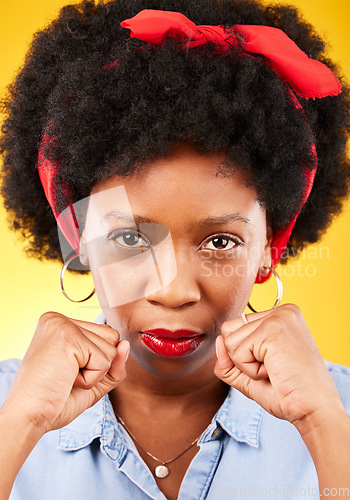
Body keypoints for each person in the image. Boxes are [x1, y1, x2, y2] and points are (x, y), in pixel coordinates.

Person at [0, 0, 350, 499]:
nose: (174, 291)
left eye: (221, 241)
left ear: (270, 247)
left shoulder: (340, 410)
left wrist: (325, 427)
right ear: (79, 240)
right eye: (128, 238)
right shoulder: (6, 409)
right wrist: (17, 425)